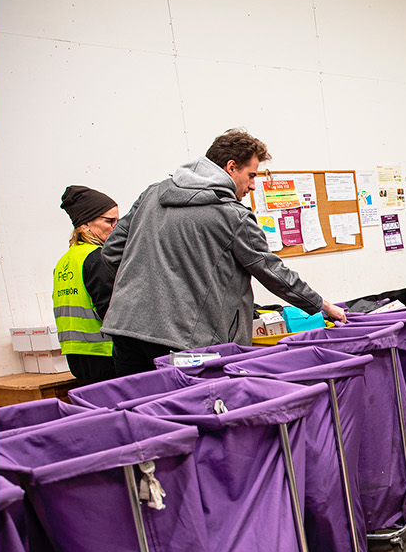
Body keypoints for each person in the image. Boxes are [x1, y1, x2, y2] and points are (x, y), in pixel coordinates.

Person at [101, 128, 346, 376]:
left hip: (126, 328)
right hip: (184, 341)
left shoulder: (153, 194)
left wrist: (145, 283)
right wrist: (322, 305)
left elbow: (111, 252)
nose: (252, 185)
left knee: (138, 411)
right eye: (251, 175)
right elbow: (272, 272)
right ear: (231, 167)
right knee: (185, 413)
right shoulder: (232, 215)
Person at [52, 185, 120, 385]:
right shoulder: (97, 258)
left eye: (117, 221)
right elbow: (111, 310)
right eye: (109, 221)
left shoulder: (65, 261)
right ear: (86, 224)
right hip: (105, 354)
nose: (115, 227)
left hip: (76, 355)